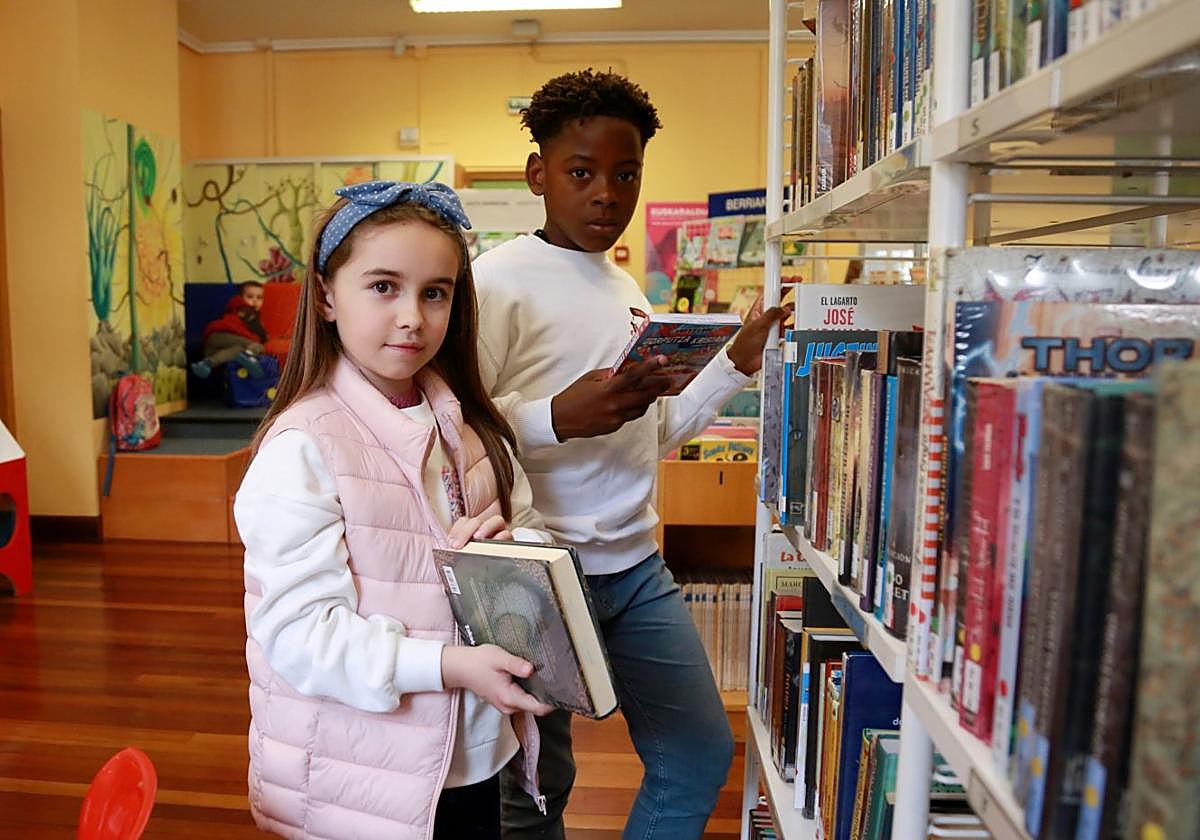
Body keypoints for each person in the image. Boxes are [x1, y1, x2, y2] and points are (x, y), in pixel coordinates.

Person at [473, 69, 789, 840]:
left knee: (699, 754)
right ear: (538, 174)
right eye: (581, 173)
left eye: (626, 174)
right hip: (538, 573)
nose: (605, 194)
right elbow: (459, 429)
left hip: (634, 567)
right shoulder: (493, 284)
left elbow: (653, 432)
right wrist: (554, 417)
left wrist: (735, 363)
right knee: (537, 789)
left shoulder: (628, 290)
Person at [233, 180, 556, 840]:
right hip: (359, 781)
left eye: (434, 292)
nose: (413, 315)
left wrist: (510, 555)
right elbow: (299, 635)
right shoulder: (301, 447)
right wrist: (447, 665)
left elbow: (535, 536)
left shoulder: (471, 428)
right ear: (325, 295)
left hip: (471, 754)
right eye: (384, 286)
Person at [191, 280, 269, 379]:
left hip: (214, 347)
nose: (255, 300)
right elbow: (259, 333)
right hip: (221, 335)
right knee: (257, 346)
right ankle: (249, 357)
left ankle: (206, 364)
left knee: (238, 351)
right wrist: (265, 337)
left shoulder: (244, 312)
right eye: (250, 297)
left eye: (259, 298)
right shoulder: (244, 310)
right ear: (240, 298)